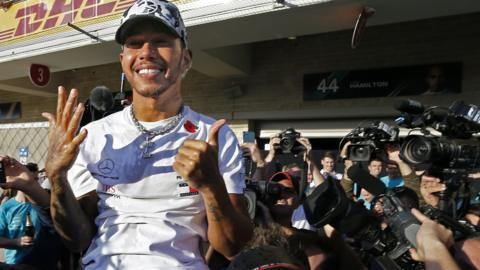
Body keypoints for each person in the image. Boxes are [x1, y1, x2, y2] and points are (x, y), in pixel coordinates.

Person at [41, 0, 253, 268]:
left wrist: (211, 186)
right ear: (123, 61)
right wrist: (57, 177)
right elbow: (78, 240)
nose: (146, 52)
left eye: (160, 41)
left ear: (185, 59)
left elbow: (233, 247)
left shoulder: (214, 136)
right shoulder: (93, 135)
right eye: (135, 43)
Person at [0, 156, 62, 269]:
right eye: (31, 180)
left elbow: (58, 228)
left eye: (36, 179)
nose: (36, 183)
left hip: (44, 263)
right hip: (16, 264)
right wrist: (17, 242)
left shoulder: (43, 206)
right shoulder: (5, 208)